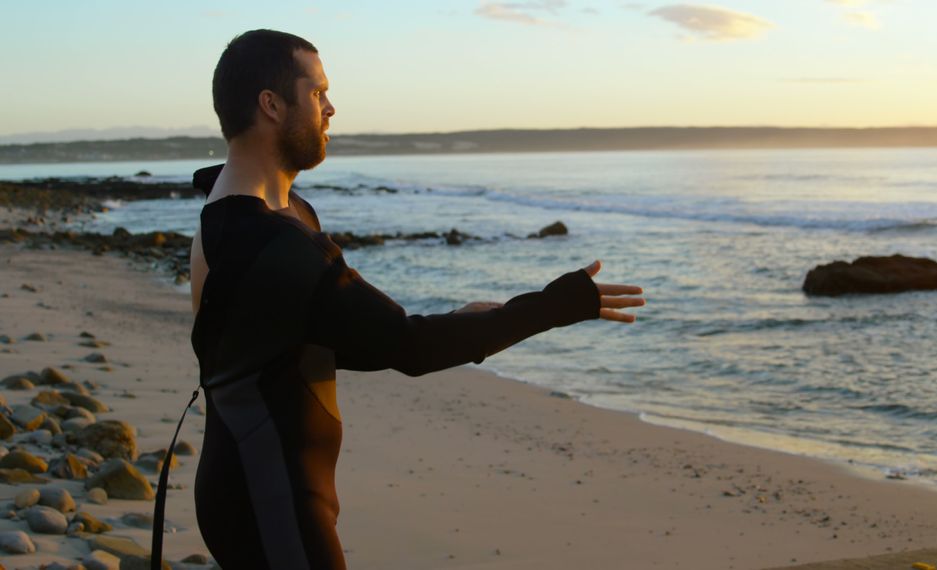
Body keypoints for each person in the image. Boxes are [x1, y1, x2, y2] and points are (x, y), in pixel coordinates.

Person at [182, 29, 645, 569]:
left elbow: (339, 338)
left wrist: (460, 322)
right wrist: (557, 305)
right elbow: (407, 347)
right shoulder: (261, 239)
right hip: (266, 495)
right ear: (270, 104)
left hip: (271, 483)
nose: (331, 108)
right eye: (317, 93)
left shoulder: (263, 214)